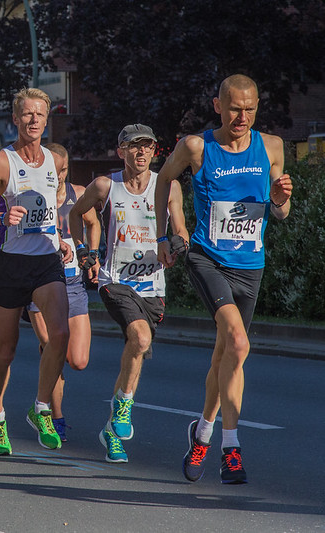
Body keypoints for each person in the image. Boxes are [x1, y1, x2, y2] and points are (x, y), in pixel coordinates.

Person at [154, 74, 293, 484]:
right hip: (207, 258)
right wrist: (163, 235)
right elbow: (164, 179)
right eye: (235, 107)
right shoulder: (197, 146)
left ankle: (202, 432)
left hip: (250, 265)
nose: (242, 116)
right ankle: (230, 449)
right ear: (218, 105)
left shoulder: (271, 146)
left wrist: (281, 200)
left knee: (225, 354)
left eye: (250, 109)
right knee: (237, 342)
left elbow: (279, 213)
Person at [69, 124, 189, 463]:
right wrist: (83, 248)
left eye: (147, 146)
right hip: (115, 280)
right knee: (138, 337)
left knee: (138, 348)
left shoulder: (168, 187)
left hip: (153, 284)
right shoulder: (106, 186)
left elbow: (179, 225)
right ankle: (123, 411)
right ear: (120, 151)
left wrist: (179, 241)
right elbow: (76, 214)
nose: (140, 153)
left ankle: (112, 429)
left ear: (155, 151)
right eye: (133, 147)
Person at [0, 88, 73, 455]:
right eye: (26, 114)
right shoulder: (2, 161)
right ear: (15, 119)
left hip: (45, 261)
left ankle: (41, 407)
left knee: (60, 333)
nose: (33, 121)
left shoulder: (53, 162)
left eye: (39, 115)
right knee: (5, 351)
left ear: (46, 119)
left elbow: (53, 208)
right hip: (10, 263)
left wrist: (60, 237)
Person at [24, 142, 100, 442]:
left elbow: (93, 223)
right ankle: (53, 416)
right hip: (40, 283)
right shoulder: (31, 197)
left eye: (63, 169)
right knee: (53, 346)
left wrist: (90, 254)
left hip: (73, 284)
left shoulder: (79, 194)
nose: (58, 175)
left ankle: (45, 406)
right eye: (52, 170)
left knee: (78, 360)